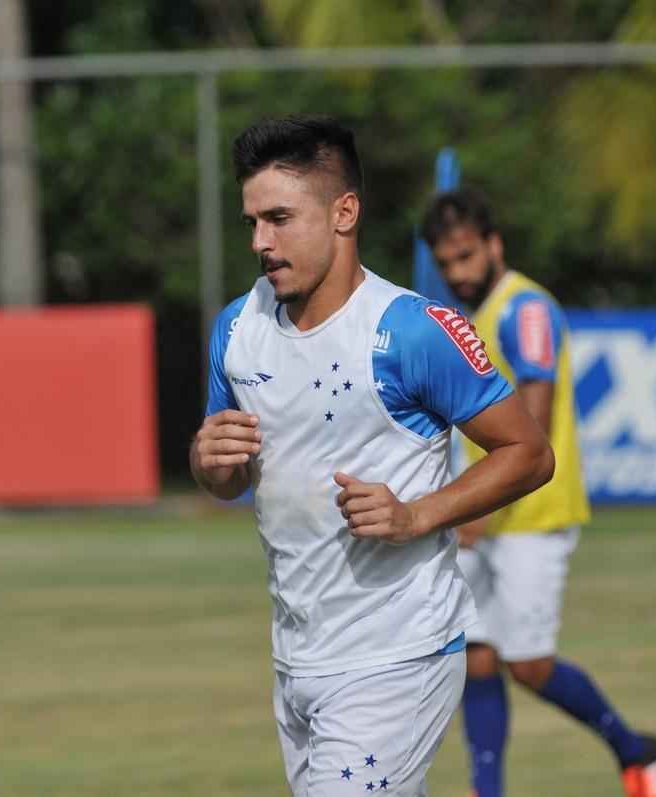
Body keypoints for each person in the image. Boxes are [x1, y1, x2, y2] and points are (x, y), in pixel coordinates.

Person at [190, 116, 554, 796]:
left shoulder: (411, 332)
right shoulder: (237, 329)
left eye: (278, 218)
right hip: (297, 659)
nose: (260, 242)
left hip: (398, 655)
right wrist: (210, 460)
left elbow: (529, 452)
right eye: (252, 221)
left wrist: (418, 515)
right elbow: (224, 477)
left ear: (344, 212)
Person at [422, 188, 656, 797]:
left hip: (531, 514)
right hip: (482, 513)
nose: (458, 272)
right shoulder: (468, 318)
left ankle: (634, 751)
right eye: (447, 262)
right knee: (474, 657)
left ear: (494, 245)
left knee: (527, 664)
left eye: (467, 256)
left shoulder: (524, 309)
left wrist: (478, 503)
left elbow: (532, 423)